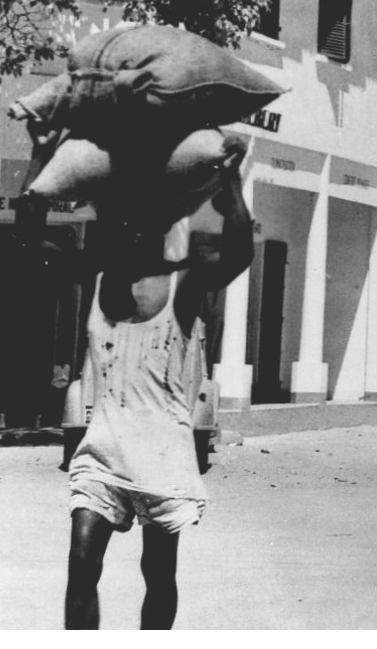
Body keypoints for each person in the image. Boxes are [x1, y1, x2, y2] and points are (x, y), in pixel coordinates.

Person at [64, 158, 252, 630]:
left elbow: (238, 256)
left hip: (163, 456)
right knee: (81, 566)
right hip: (101, 454)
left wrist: (233, 190)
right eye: (123, 224)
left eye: (141, 226)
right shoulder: (100, 280)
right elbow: (30, 241)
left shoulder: (183, 287)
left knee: (158, 572)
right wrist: (38, 158)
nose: (132, 234)